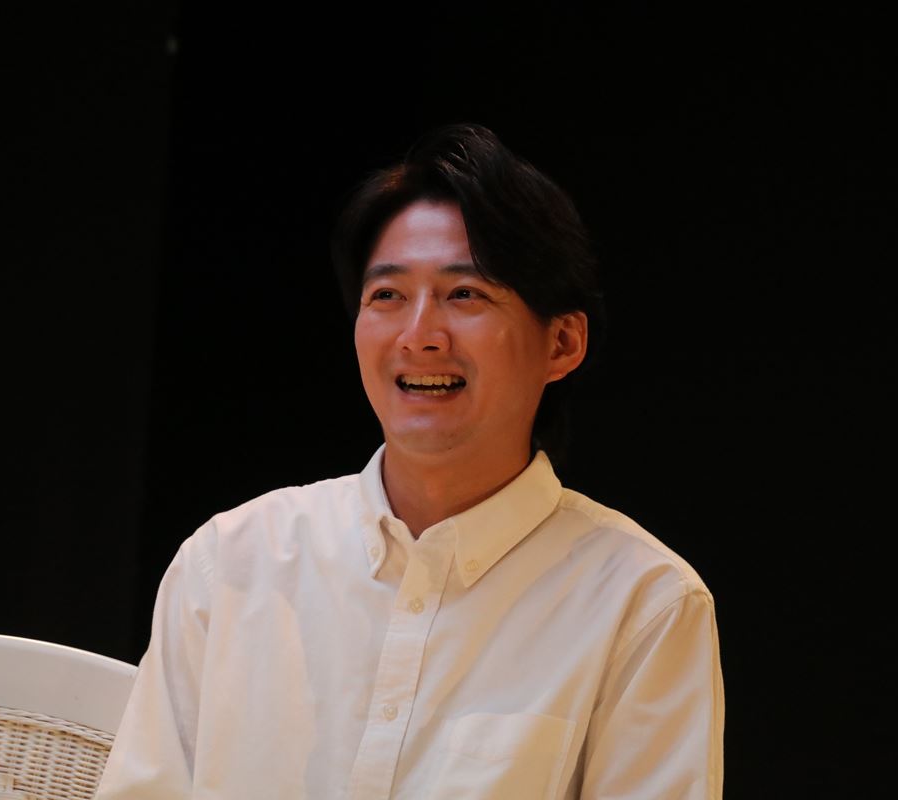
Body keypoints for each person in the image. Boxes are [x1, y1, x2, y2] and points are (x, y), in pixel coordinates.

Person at [95, 124, 724, 799]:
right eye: (388, 296)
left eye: (465, 294)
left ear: (563, 343)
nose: (419, 335)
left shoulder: (643, 603)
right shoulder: (229, 564)